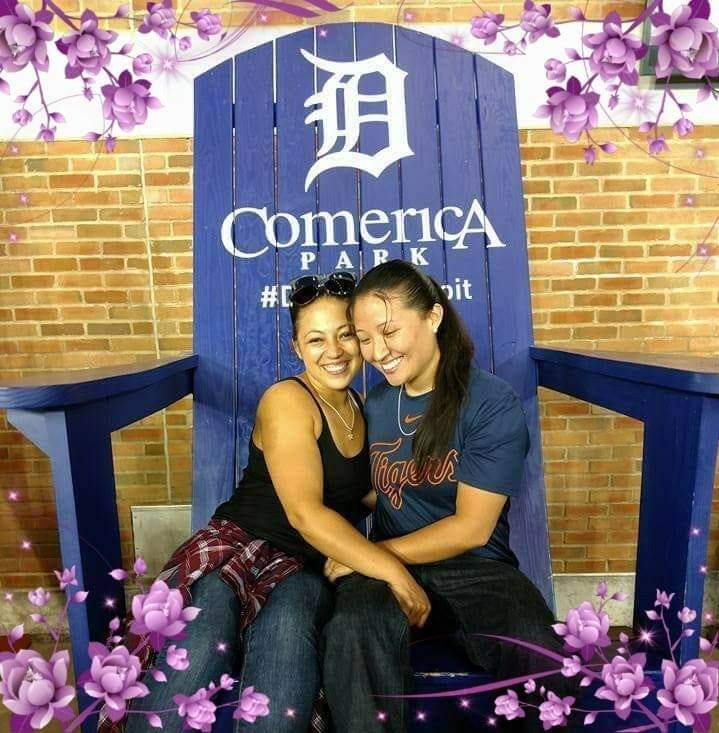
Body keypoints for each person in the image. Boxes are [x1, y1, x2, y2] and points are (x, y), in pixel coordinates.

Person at [116, 271, 430, 733]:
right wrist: (393, 570)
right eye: (316, 339)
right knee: (202, 644)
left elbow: (373, 494)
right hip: (240, 548)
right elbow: (306, 514)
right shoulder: (287, 399)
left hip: (303, 569)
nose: (335, 351)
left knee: (286, 665)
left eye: (346, 335)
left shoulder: (364, 409)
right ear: (296, 348)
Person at [320, 260, 577, 733]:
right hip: (387, 570)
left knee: (544, 662)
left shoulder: (489, 402)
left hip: (478, 568)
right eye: (365, 337)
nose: (377, 351)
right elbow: (376, 491)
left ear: (433, 317)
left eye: (389, 331)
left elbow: (471, 528)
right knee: (352, 630)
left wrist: (370, 555)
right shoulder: (375, 405)